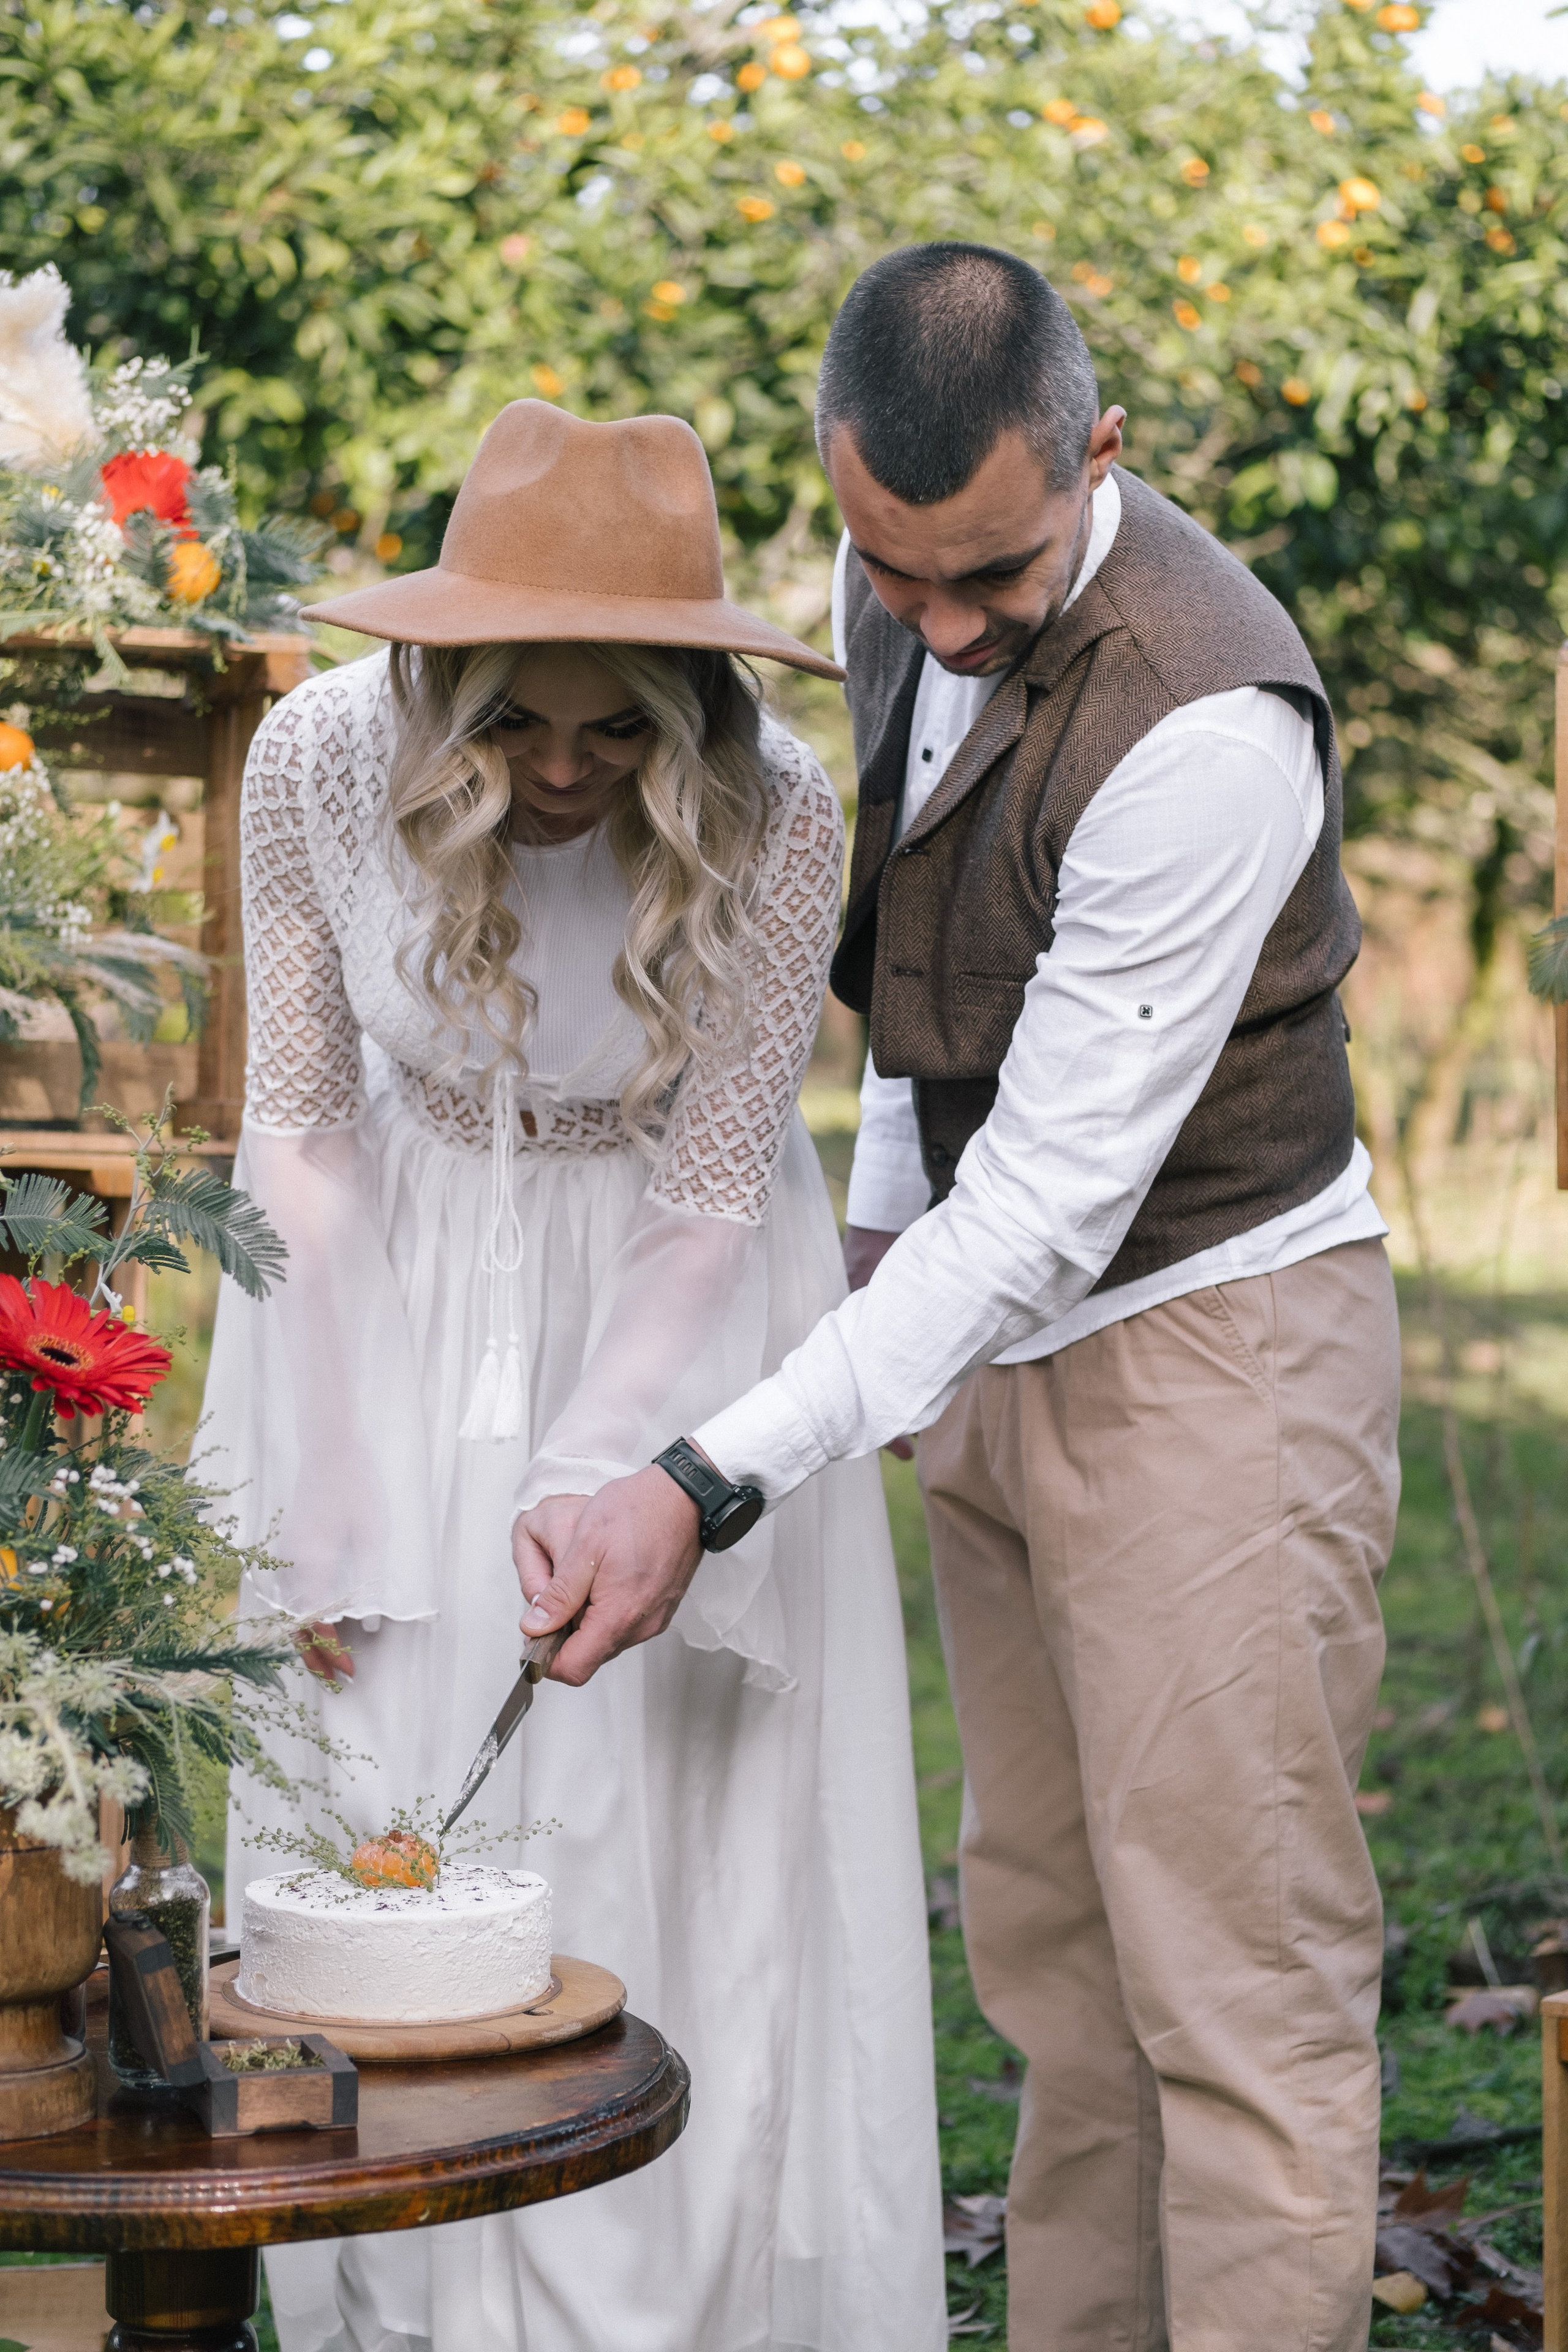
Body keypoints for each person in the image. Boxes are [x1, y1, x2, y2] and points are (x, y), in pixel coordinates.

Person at [516, 246, 1403, 2352]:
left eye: (987, 577)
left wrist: (708, 1473)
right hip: (995, 1345)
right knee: (1060, 1970)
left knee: (1236, 1991)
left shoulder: (1204, 720)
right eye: (890, 570)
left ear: (1100, 453)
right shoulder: (897, 577)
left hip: (1210, 1342)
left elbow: (1057, 1198)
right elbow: (931, 997)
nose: (934, 625)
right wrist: (878, 1253)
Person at [203, 399, 945, 2352]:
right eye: (515, 720)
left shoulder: (783, 804)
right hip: (381, 1272)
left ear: (691, 707)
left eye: (619, 729)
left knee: (631, 1788)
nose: (557, 771)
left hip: (675, 1292)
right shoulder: (309, 759)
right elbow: (300, 1124)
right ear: (435, 671)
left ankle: (663, 2289)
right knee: (379, 1761)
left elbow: (713, 1184)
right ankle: (406, 2304)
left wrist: (605, 1468)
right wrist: (333, 1479)